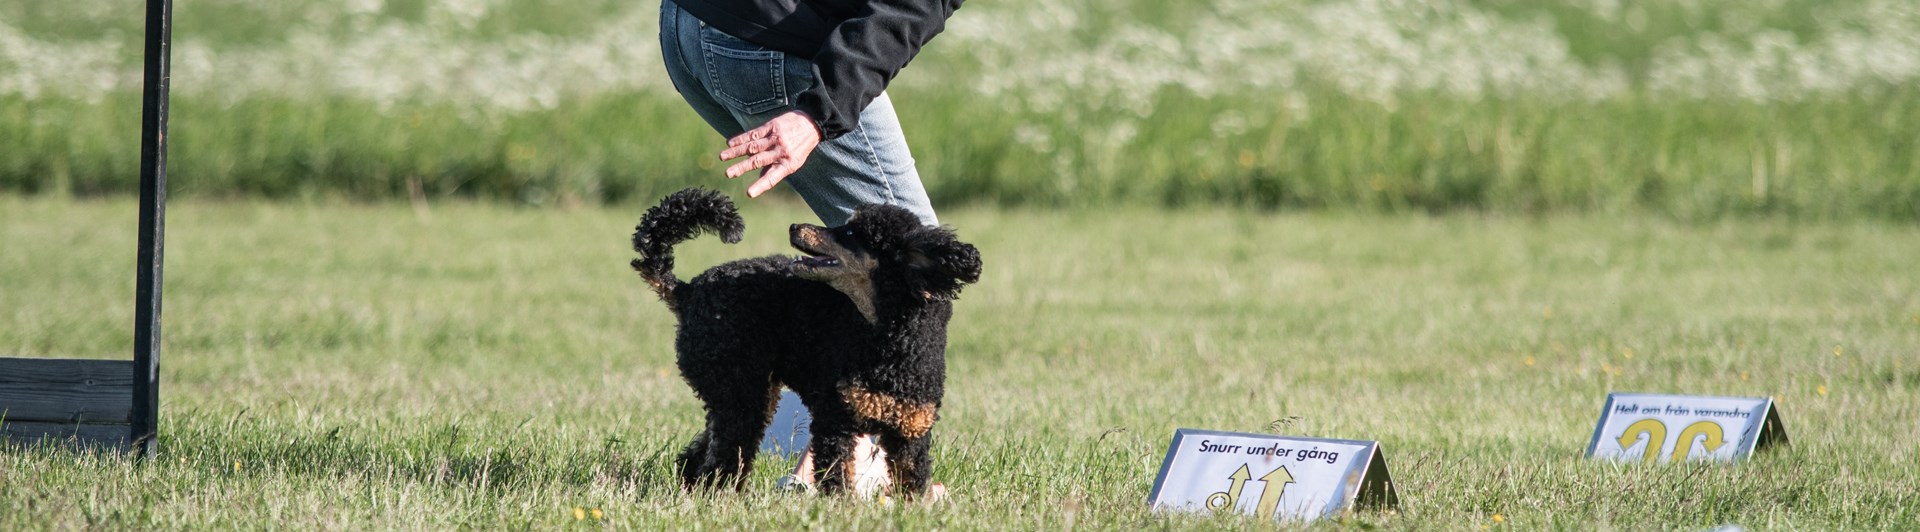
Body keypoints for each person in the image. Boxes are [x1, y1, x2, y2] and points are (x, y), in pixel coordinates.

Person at [656, 0, 965, 492]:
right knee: (920, 270)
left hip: (691, 25)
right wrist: (818, 113)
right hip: (772, 44)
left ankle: (782, 449)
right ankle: (828, 475)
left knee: (851, 279)